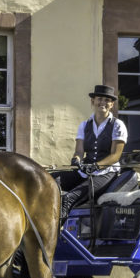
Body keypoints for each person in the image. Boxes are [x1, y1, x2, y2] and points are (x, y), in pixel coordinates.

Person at [56, 84, 128, 220]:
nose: (103, 103)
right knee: (50, 181)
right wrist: (76, 160)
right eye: (100, 99)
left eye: (107, 100)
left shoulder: (118, 125)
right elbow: (79, 151)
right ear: (93, 101)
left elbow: (115, 156)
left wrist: (97, 166)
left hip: (106, 173)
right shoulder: (84, 125)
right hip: (85, 171)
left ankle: (57, 234)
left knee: (69, 198)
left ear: (112, 104)